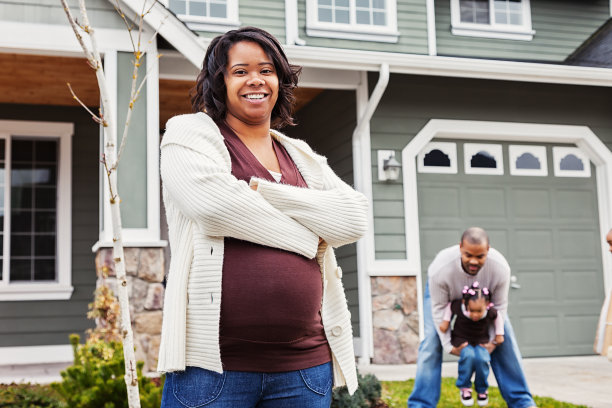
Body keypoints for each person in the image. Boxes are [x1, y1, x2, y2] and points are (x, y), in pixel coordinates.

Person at [157, 27, 368, 407]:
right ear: (218, 82)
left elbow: (353, 219)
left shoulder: (300, 155)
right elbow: (214, 206)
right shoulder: (188, 134)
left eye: (266, 69)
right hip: (212, 370)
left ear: (280, 80)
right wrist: (309, 237)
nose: (255, 79)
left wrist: (263, 190)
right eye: (240, 71)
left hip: (304, 369)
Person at [408, 227, 537, 408]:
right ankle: (420, 405)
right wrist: (449, 346)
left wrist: (490, 345)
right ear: (460, 247)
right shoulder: (440, 268)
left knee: (505, 336)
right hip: (446, 296)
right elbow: (438, 310)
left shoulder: (500, 268)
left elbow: (499, 309)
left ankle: (522, 403)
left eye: (480, 256)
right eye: (468, 255)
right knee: (431, 341)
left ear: (488, 250)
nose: (474, 261)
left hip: (483, 302)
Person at [439, 281, 504, 406]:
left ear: (487, 305)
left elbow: (498, 317)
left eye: (479, 311)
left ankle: (482, 389)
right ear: (465, 303)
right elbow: (449, 306)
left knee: (483, 358)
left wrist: (499, 334)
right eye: (472, 310)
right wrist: (445, 321)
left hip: (480, 340)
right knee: (468, 356)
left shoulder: (490, 312)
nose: (475, 315)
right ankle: (465, 387)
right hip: (462, 339)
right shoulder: (459, 306)